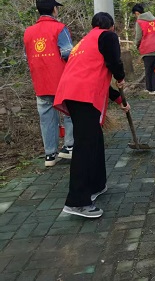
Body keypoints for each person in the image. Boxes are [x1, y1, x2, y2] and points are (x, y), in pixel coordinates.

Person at [54, 12, 130, 218]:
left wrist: (120, 100)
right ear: (111, 26)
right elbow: (114, 62)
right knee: (85, 146)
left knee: (94, 139)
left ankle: (96, 185)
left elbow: (93, 75)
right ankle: (77, 202)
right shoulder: (107, 36)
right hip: (82, 96)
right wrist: (120, 77)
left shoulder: (86, 41)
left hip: (74, 93)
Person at [23, 0, 75, 167]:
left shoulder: (28, 32)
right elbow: (68, 53)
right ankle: (69, 147)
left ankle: (50, 155)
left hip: (40, 82)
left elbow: (27, 56)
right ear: (54, 9)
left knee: (46, 118)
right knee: (69, 112)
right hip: (61, 81)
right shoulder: (60, 28)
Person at [132, 4, 155, 95]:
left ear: (137, 13)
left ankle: (151, 89)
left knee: (149, 69)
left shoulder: (140, 21)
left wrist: (136, 45)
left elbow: (138, 37)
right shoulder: (154, 19)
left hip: (148, 48)